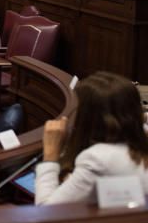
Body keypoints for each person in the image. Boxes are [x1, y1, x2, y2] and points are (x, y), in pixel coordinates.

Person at [36, 71, 148, 205]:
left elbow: (46, 210)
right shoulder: (139, 142)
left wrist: (50, 154)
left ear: (85, 117)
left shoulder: (97, 159)